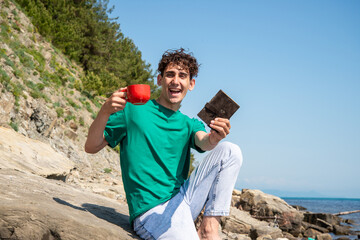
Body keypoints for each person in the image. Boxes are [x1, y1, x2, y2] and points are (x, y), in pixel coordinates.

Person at [85, 48, 243, 240]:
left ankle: (209, 228)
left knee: (230, 151)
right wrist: (104, 111)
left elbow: (204, 141)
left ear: (190, 84)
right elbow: (91, 147)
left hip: (184, 200)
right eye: (170, 75)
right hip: (151, 211)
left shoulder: (188, 123)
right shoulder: (134, 111)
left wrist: (215, 138)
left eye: (182, 76)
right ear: (160, 80)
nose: (176, 81)